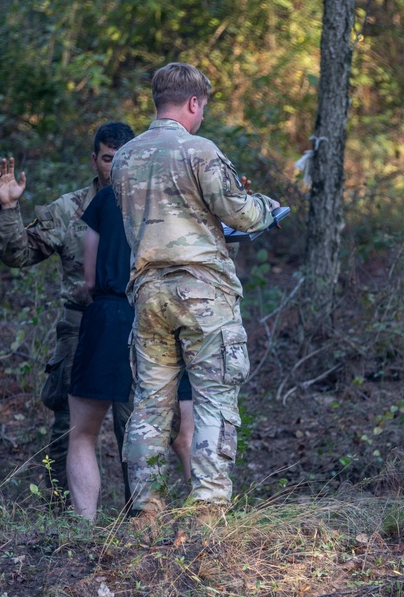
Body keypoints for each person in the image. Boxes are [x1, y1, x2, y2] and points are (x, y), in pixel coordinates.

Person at [111, 62, 279, 528]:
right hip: (203, 291)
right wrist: (269, 208)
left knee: (149, 403)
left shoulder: (124, 157)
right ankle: (207, 509)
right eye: (202, 105)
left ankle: (146, 511)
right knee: (212, 397)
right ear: (193, 103)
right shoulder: (199, 150)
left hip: (148, 293)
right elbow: (240, 213)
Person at [0, 124, 132, 497]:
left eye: (122, 159)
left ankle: (142, 517)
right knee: (69, 424)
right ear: (94, 159)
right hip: (81, 326)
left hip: (136, 326)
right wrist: (9, 209)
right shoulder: (70, 209)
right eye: (106, 159)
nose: (113, 167)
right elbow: (17, 253)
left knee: (136, 424)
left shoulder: (152, 207)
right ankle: (64, 516)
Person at [66, 122, 196, 521]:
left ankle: (85, 528)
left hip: (107, 316)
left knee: (84, 433)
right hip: (161, 314)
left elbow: (88, 278)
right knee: (183, 433)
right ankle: (207, 521)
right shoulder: (173, 199)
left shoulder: (104, 200)